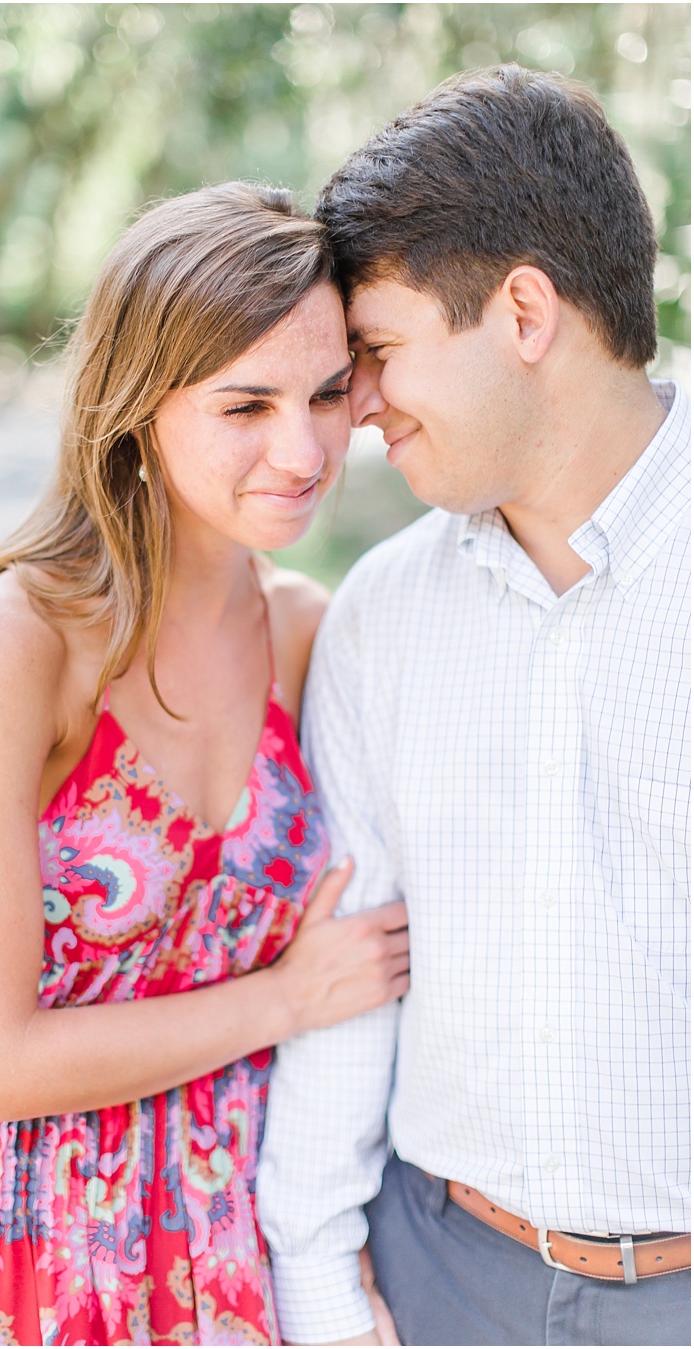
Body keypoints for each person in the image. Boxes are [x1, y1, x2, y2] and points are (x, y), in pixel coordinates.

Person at [0, 183, 412, 1346]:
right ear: (140, 408)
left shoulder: (307, 629)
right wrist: (286, 996)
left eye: (329, 393)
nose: (303, 448)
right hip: (46, 1248)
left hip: (254, 1230)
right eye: (245, 404)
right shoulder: (13, 641)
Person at [258, 66, 690, 1347]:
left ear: (523, 311)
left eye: (380, 352)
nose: (365, 407)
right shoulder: (380, 619)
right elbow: (355, 971)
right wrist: (325, 1293)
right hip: (442, 1279)